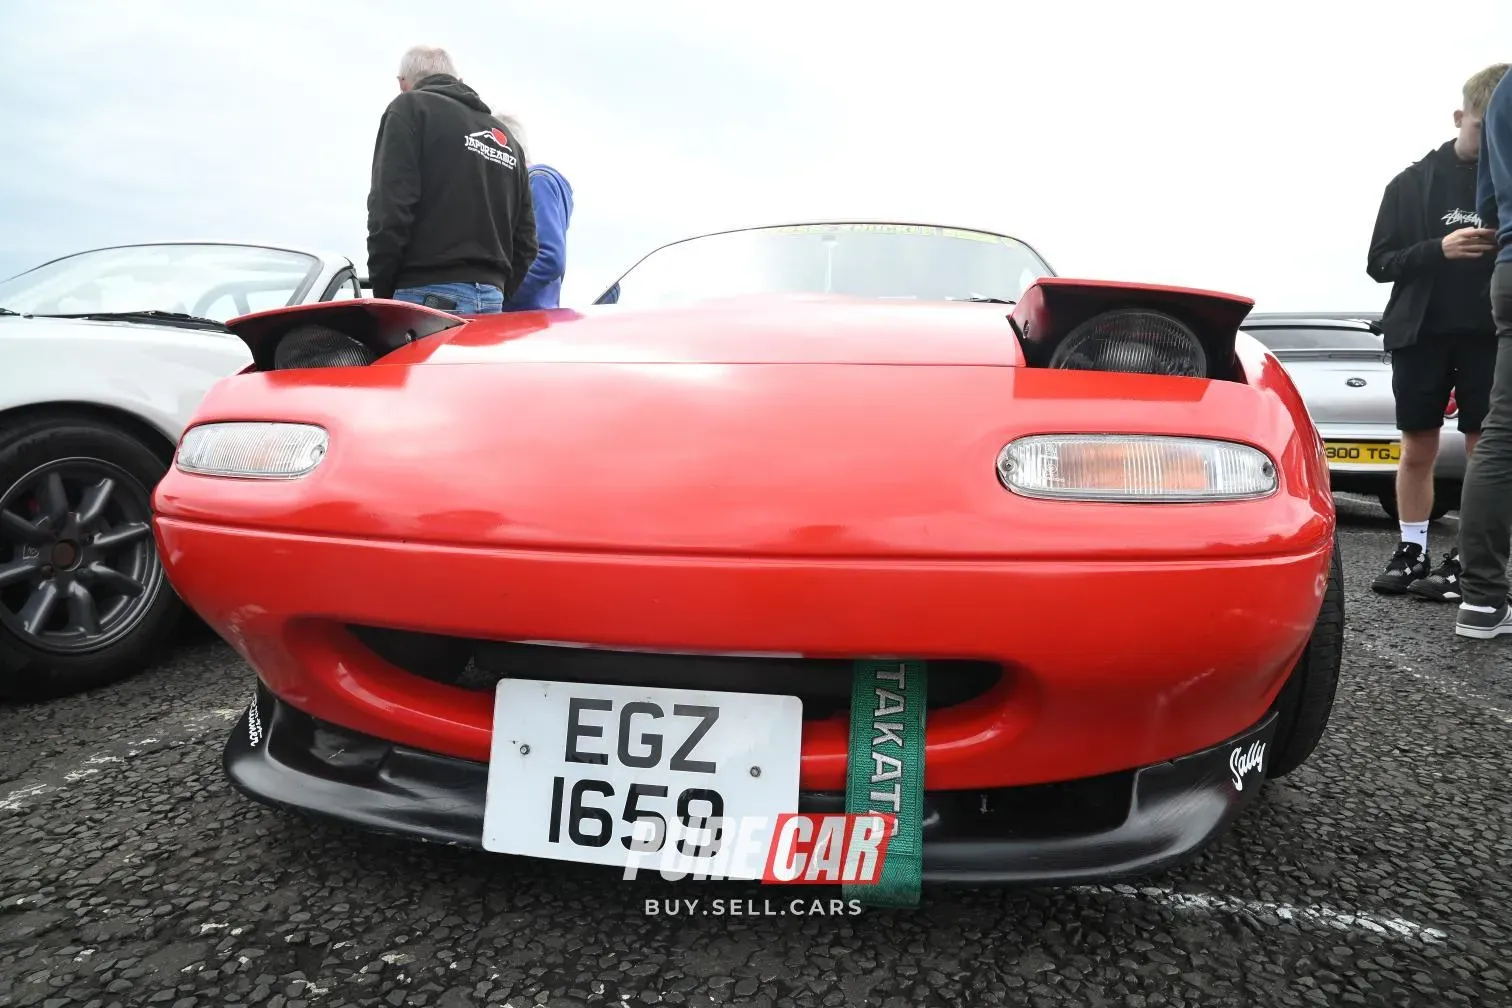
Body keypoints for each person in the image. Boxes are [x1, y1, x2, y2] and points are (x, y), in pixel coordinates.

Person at [1367, 63, 1509, 598]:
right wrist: (1439, 249)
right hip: (1421, 333)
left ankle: (1466, 556)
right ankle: (1412, 549)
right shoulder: (1409, 183)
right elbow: (1379, 262)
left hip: (1489, 335)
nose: (1492, 140)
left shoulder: (1509, 179)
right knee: (1417, 446)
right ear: (1459, 116)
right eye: (1481, 127)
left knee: (1485, 448)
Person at [366, 45, 538, 315]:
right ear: (458, 81)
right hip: (492, 302)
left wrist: (384, 292)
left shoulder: (409, 109)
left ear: (402, 83)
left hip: (424, 295)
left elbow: (389, 210)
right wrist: (498, 287)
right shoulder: (506, 139)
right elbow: (527, 241)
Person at [1455, 69, 1512, 637]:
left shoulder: (1504, 93)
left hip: (1510, 269)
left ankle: (1482, 599)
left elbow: (1490, 205)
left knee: (1501, 436)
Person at [493, 114, 575, 311]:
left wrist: (499, 298)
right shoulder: (539, 182)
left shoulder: (537, 182)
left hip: (525, 316)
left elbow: (549, 257)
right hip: (536, 314)